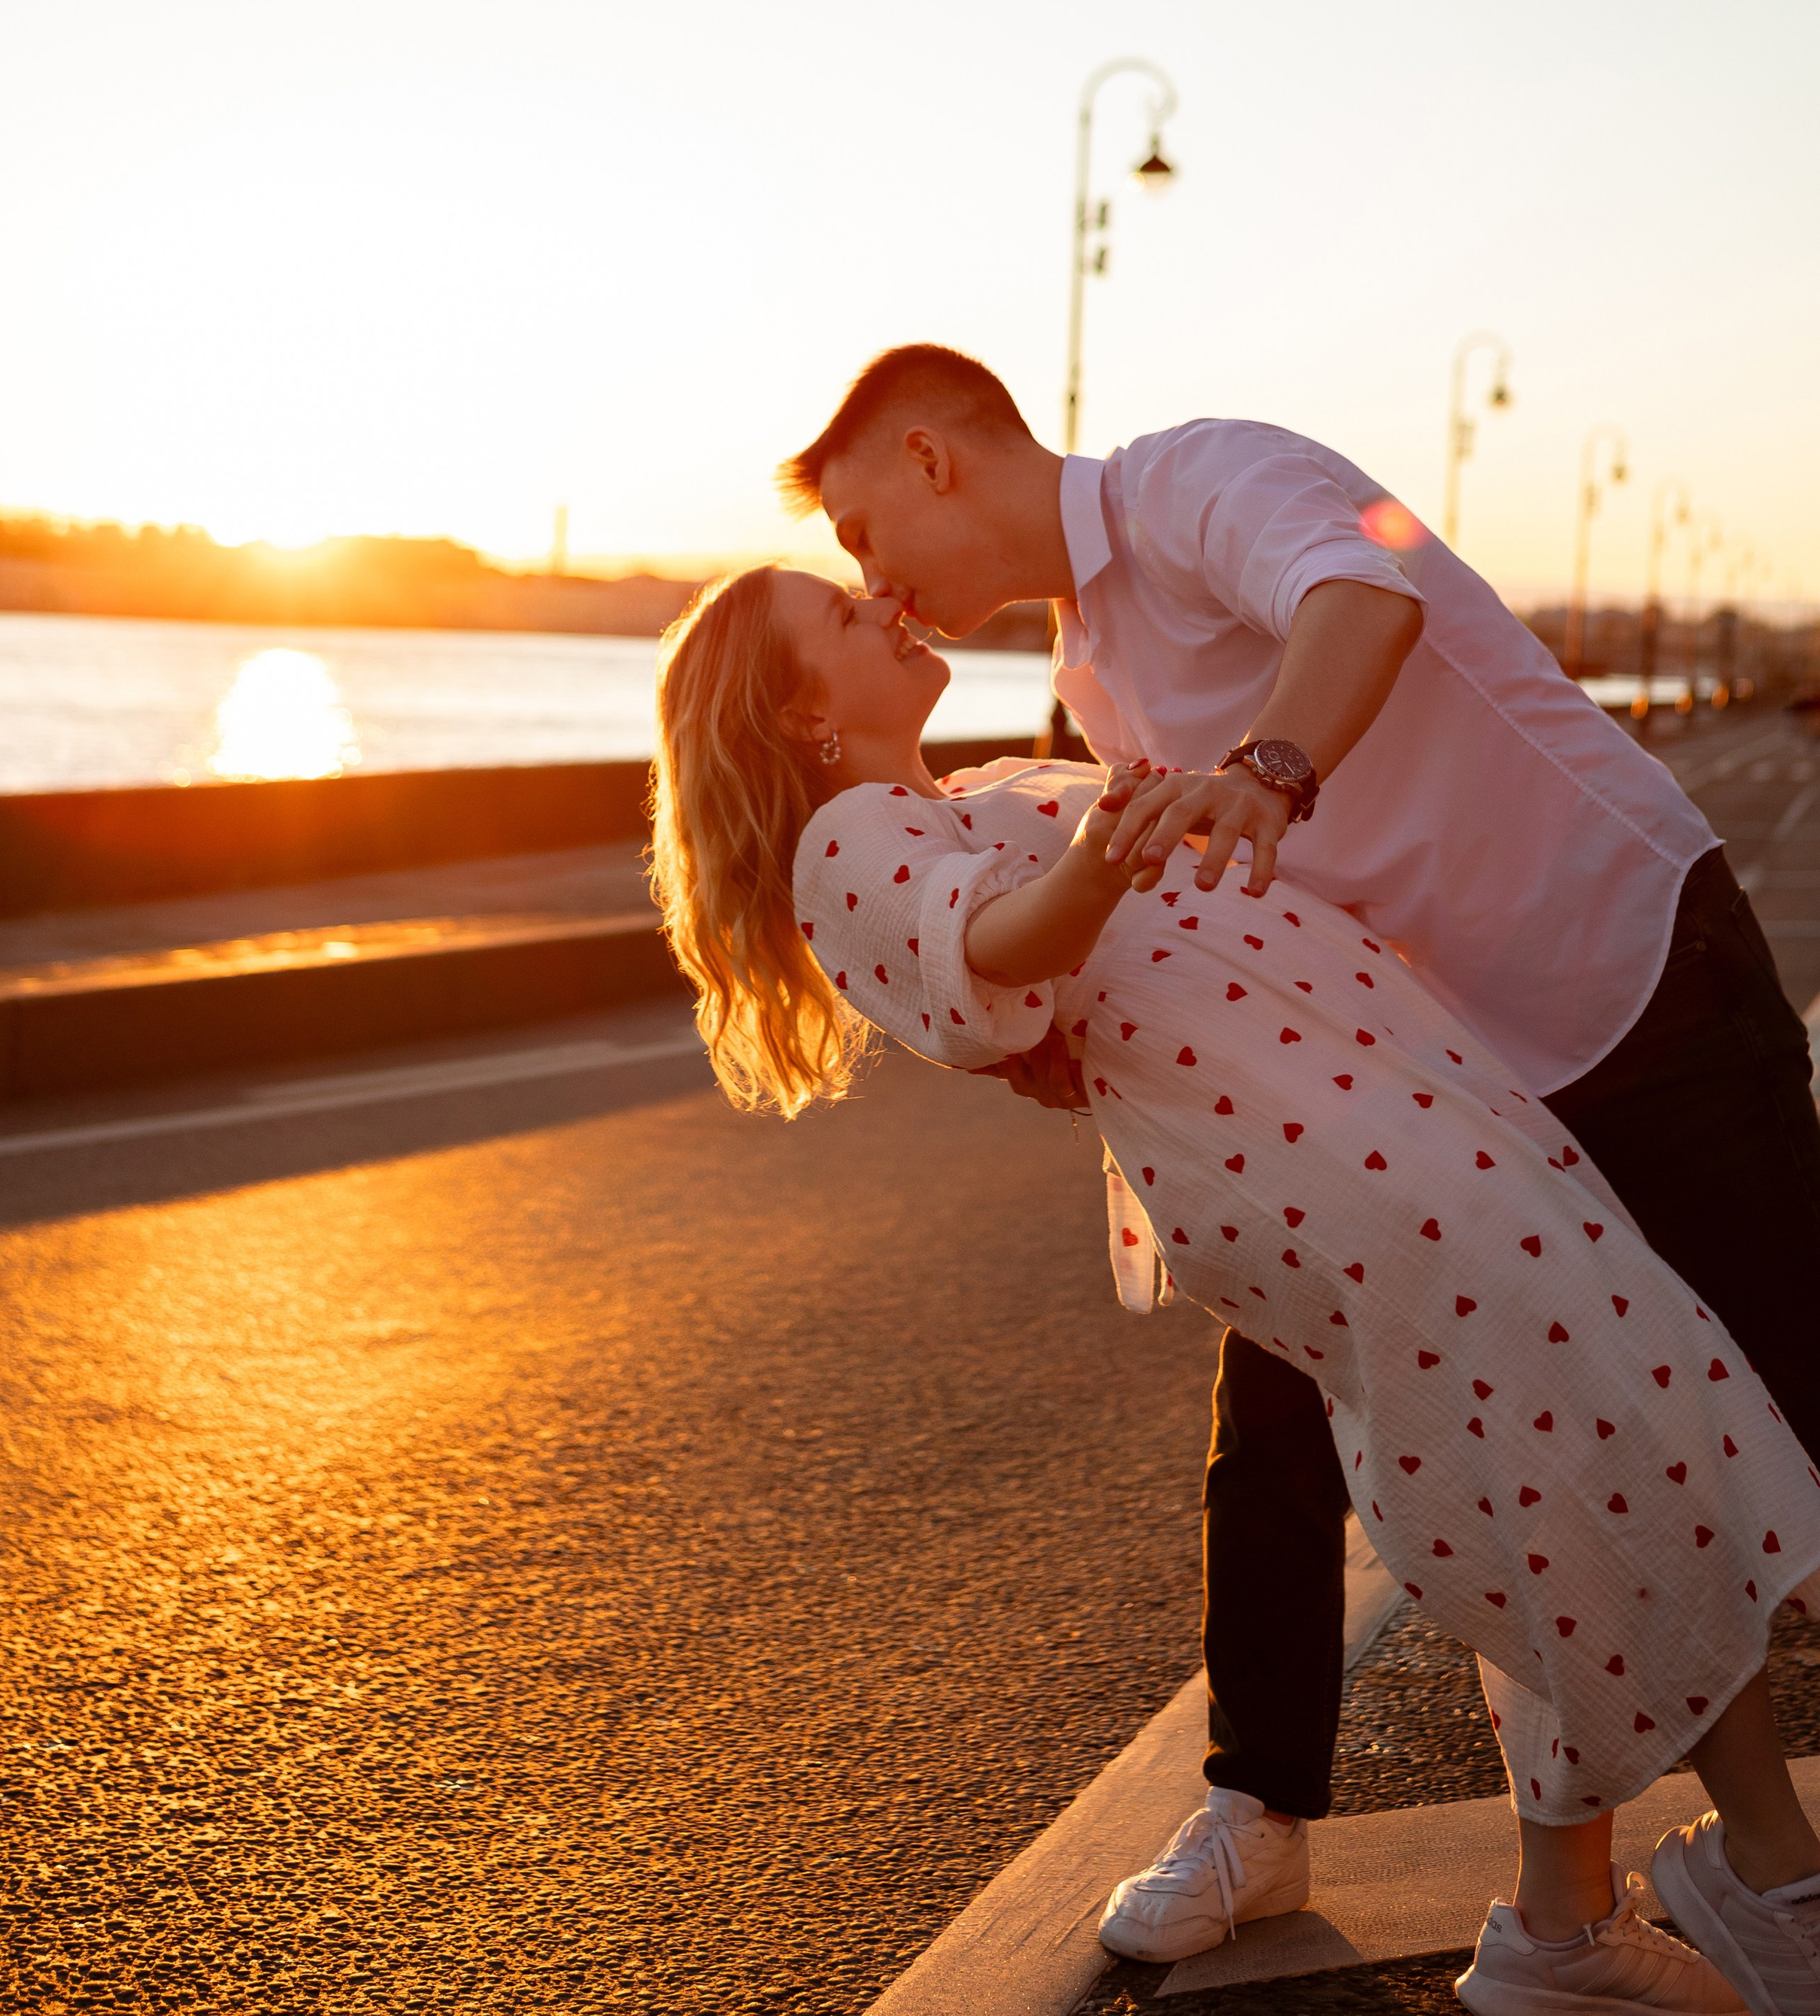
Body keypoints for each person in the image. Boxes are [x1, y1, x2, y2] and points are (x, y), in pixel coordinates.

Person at [772, 344, 1820, 1983]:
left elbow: (1360, 596)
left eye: (855, 528)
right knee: (1279, 1423)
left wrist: (1268, 763)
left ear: (927, 456)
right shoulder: (1089, 671)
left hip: (1621, 973)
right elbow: (1122, 910)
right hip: (1434, 1077)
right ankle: (1264, 1813)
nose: (870, 576)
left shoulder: (1194, 481)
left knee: (1778, 1373)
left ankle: (1653, 1887)